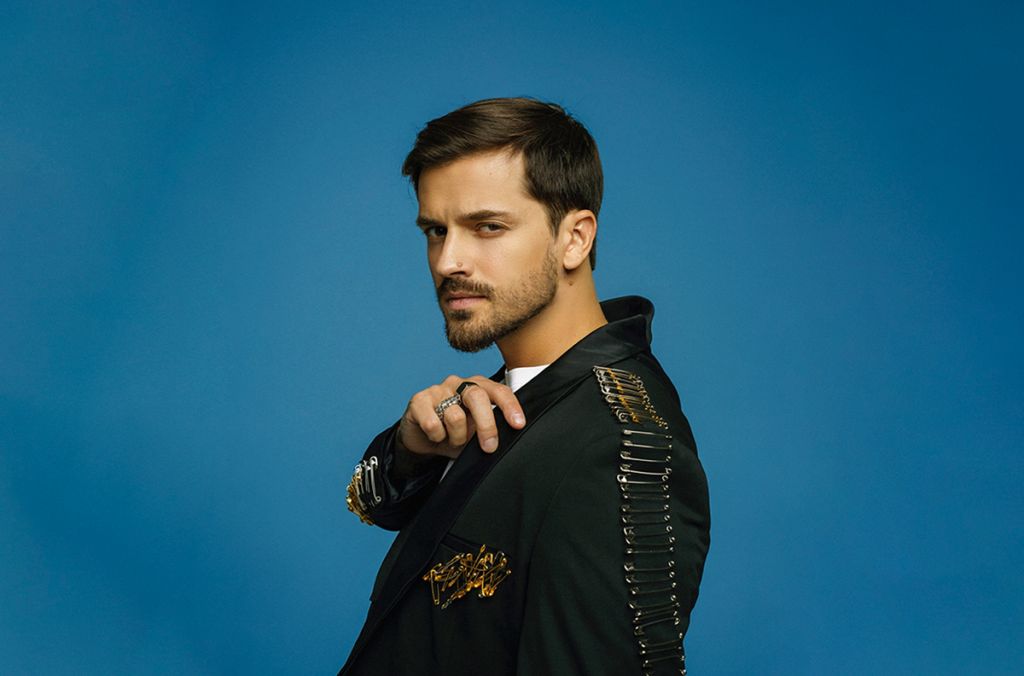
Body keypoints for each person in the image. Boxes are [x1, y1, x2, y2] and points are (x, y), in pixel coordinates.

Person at [339, 97, 710, 676]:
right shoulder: (515, 395)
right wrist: (413, 448)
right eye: (436, 231)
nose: (448, 261)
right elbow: (380, 507)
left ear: (575, 239)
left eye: (487, 227)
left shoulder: (614, 446)